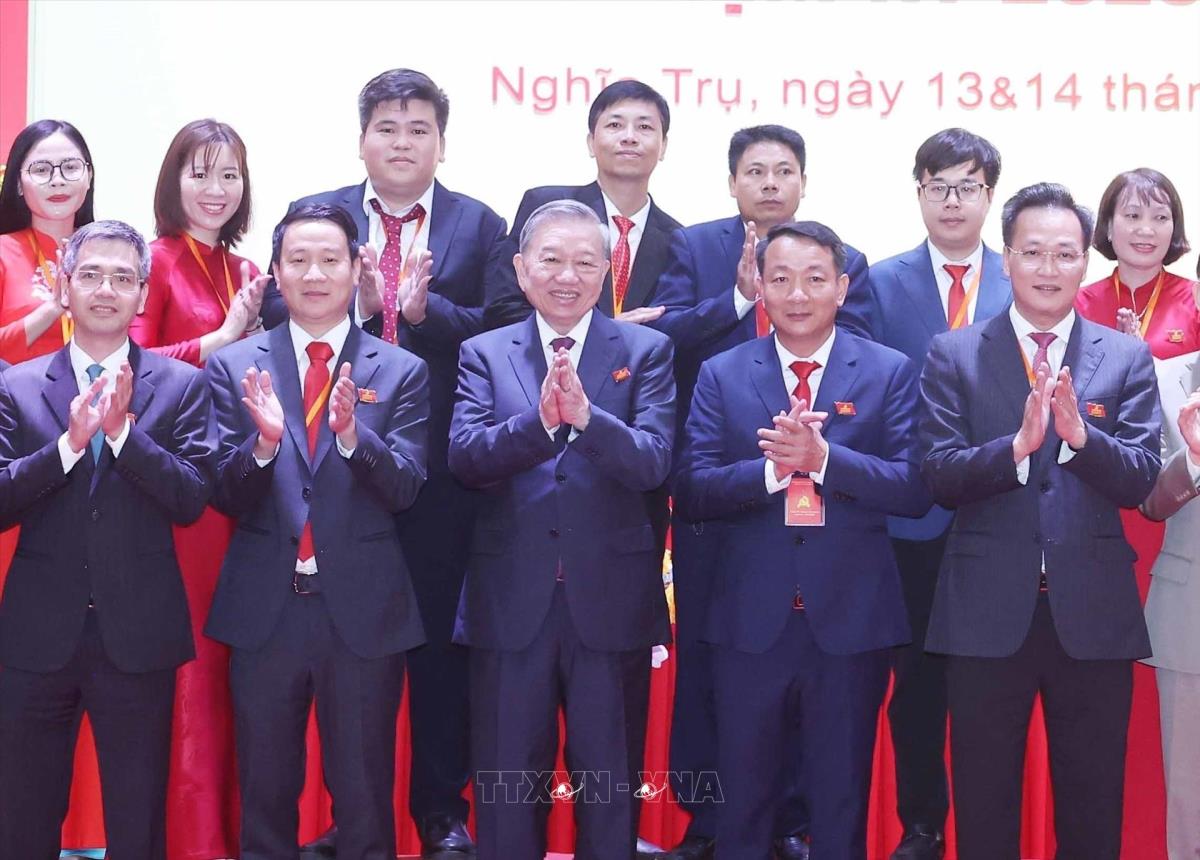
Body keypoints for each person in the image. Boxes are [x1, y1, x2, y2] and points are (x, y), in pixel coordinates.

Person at [263, 70, 505, 856]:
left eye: (419, 129)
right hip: (330, 467)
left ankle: (439, 810)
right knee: (344, 649)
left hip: (437, 473)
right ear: (362, 138)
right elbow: (275, 308)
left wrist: (424, 312)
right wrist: (358, 307)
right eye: (388, 127)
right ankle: (349, 820)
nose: (403, 142)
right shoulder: (318, 214)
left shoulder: (479, 224)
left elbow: (506, 331)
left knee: (434, 645)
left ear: (442, 142)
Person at [918, 183, 1161, 860]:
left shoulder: (1125, 355)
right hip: (984, 612)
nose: (1048, 268)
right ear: (1006, 258)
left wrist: (1082, 439)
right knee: (984, 804)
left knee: (1092, 807)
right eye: (1032, 252)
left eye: (1064, 253)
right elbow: (937, 474)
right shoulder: (954, 352)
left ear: (1085, 260)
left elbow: (1141, 477)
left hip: (1093, 613)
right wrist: (1015, 450)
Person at [674, 221, 927, 860]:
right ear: (758, 286)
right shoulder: (722, 372)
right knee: (743, 802)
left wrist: (824, 461)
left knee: (841, 799)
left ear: (841, 288)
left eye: (815, 279)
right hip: (748, 622)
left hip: (850, 620)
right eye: (780, 278)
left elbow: (913, 488)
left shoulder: (888, 371)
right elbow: (693, 487)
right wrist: (771, 473)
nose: (797, 294)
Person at [652, 124, 870, 860]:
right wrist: (735, 298)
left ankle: (797, 820)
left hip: (821, 503)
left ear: (803, 182)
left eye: (783, 171)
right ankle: (713, 819)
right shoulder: (695, 248)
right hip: (723, 494)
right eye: (755, 171)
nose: (770, 183)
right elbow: (664, 339)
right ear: (732, 182)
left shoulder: (843, 258)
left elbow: (860, 359)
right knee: (715, 668)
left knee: (813, 668)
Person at [448, 199, 675, 860]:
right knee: (507, 788)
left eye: (583, 261)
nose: (567, 275)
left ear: (606, 270)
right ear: (522, 270)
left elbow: (654, 461)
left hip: (611, 599)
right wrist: (542, 423)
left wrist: (588, 419)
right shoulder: (484, 353)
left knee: (609, 788)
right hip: (510, 599)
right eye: (550, 260)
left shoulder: (647, 351)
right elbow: (465, 459)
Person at [205, 202, 429, 860]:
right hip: (265, 610)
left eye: (330, 259)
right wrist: (263, 447)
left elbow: (407, 489)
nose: (313, 274)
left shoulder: (400, 369)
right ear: (275, 272)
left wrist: (355, 438)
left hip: (362, 612)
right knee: (264, 792)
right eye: (298, 260)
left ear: (357, 268)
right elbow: (221, 492)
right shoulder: (234, 366)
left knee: (364, 798)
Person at [0, 219, 216, 859]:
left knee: (138, 821)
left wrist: (124, 436)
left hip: (139, 633)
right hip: (37, 633)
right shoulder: (15, 385)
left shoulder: (181, 386)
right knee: (22, 818)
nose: (105, 289)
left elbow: (191, 498)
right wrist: (68, 446)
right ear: (64, 287)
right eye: (91, 275)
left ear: (143, 295)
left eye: (123, 278)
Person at [861, 127, 1010, 860]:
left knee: (990, 685)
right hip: (912, 518)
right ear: (918, 191)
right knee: (916, 684)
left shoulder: (1025, 278)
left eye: (967, 186)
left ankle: (991, 829)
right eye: (938, 186)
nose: (953, 201)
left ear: (990, 195)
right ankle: (922, 825)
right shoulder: (877, 282)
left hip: (1001, 514)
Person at [127, 118, 269, 860]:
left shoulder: (248, 271)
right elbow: (131, 365)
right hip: (179, 495)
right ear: (172, 180)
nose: (216, 190)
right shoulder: (150, 261)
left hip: (244, 490)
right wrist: (217, 341)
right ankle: (192, 840)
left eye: (230, 175)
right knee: (192, 671)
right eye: (200, 173)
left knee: (236, 670)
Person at [484, 79, 681, 329]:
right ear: (591, 142)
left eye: (644, 126)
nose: (629, 137)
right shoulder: (547, 208)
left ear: (663, 146)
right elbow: (503, 307)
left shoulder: (678, 240)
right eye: (615, 125)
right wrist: (597, 332)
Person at [1141, 266, 1200, 860]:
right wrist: (1195, 461)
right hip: (1190, 618)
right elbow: (1150, 500)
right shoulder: (1167, 379)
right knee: (1191, 802)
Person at [0, 119, 95, 366]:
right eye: (41, 170)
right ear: (19, 184)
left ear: (88, 176)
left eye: (70, 167)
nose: (57, 180)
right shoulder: (3, 253)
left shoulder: (107, 252)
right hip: (13, 389)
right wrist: (52, 309)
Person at [1076, 168, 1197, 358]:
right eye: (1133, 216)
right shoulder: (1077, 303)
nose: (1146, 230)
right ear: (1109, 226)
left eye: (1160, 217)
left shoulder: (1195, 300)